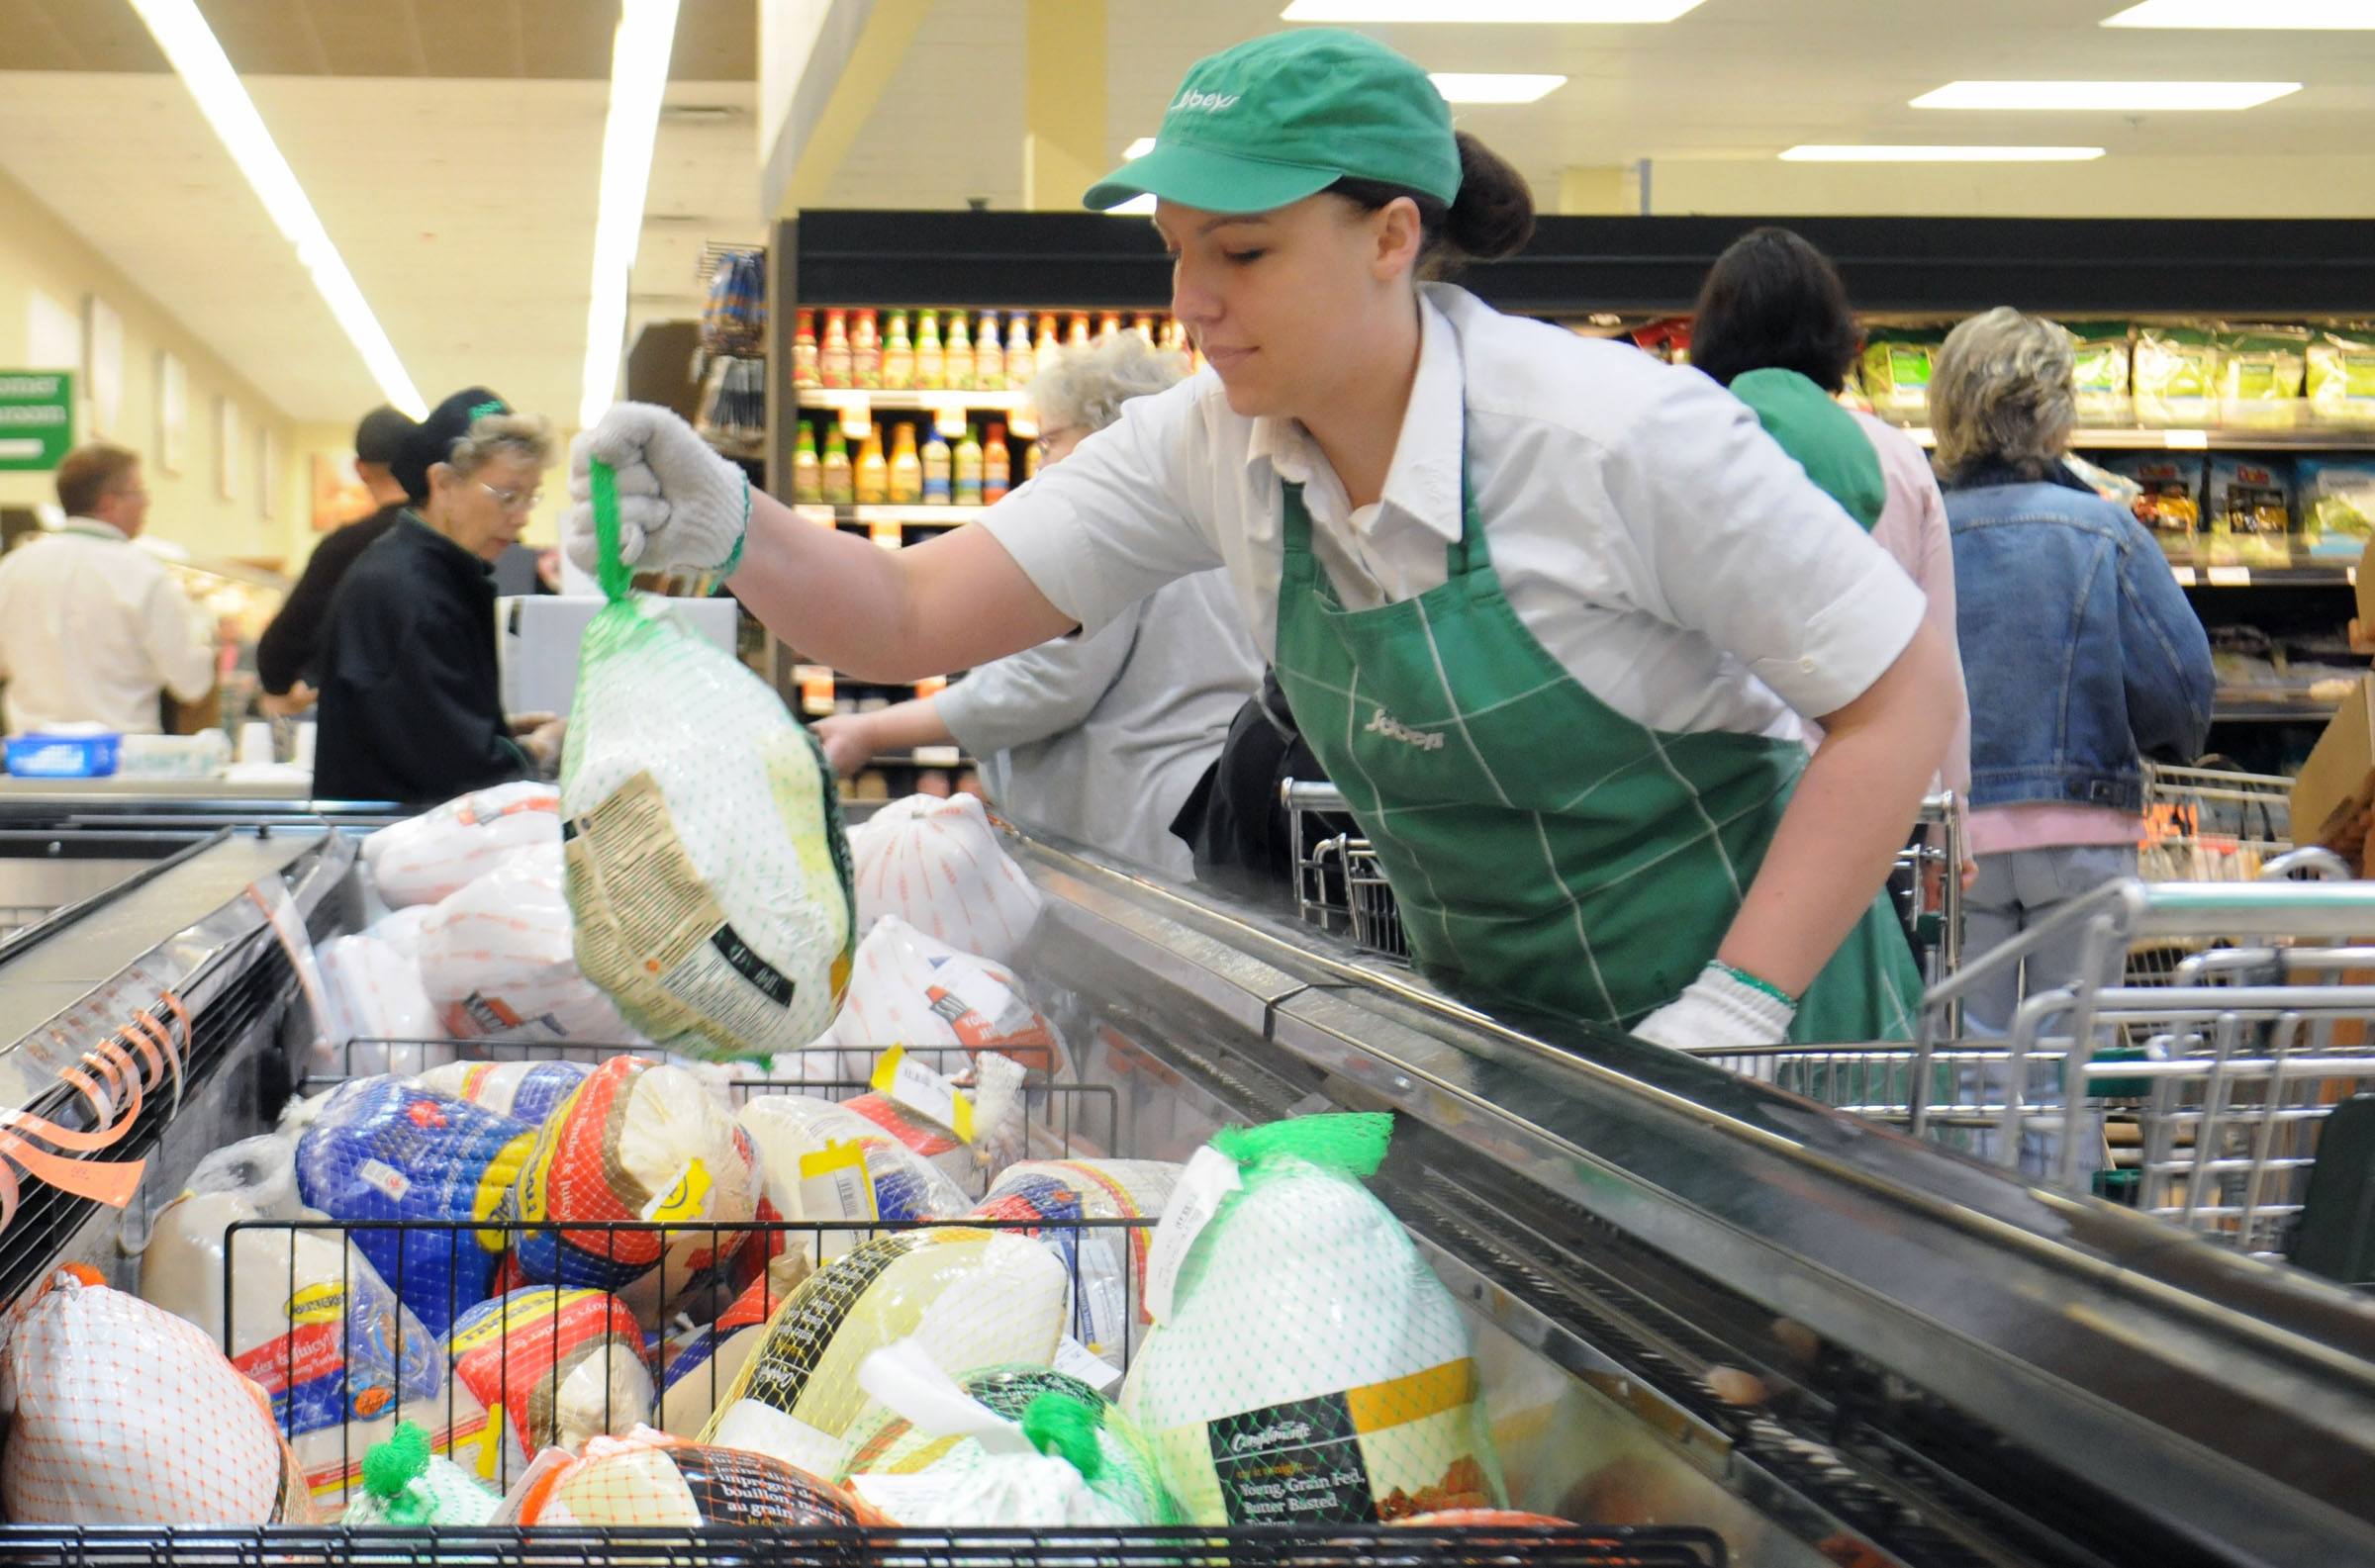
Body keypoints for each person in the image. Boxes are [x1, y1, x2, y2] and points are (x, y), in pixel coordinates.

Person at [564, 30, 1959, 1050]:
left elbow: (1902, 698)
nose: (1194, 302)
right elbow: (915, 611)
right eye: (1177, 252)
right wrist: (736, 526)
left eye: (1242, 254)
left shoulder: (1614, 439)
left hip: (1779, 1046)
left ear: (1391, 238)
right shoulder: (1212, 444)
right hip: (1531, 1048)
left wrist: (1742, 999)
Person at [812, 335, 1260, 876]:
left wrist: (870, 731)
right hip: (1194, 810)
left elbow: (1041, 686)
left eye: (1049, 441)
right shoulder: (1203, 508)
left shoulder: (1108, 525)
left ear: (1105, 428)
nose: (1042, 461)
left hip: (1127, 833)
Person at [1930, 309, 2214, 1036]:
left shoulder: (1918, 525)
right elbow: (2183, 690)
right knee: (2069, 1066)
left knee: (1965, 1073)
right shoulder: (2108, 530)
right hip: (2084, 833)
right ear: (2058, 413)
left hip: (1953, 835)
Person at [1688, 226, 1972, 818]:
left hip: (1730, 793)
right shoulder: (1894, 458)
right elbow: (1936, 650)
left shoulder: (1692, 444)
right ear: (1837, 337)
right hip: (1882, 794)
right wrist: (1951, 810)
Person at [313, 389, 564, 802]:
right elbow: (463, 775)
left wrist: (495, 730)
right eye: (507, 496)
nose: (521, 518)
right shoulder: (412, 595)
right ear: (443, 483)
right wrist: (539, 748)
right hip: (393, 848)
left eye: (530, 497)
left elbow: (420, 729)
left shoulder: (430, 575)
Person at [0, 443, 215, 737]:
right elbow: (192, 682)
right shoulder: (144, 574)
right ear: (108, 503)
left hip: (31, 760)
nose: (146, 503)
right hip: (123, 763)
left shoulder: (12, 569)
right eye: (138, 491)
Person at [254, 406, 419, 714]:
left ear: (360, 469)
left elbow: (286, 639)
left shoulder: (343, 547)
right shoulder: (445, 539)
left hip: (359, 712)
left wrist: (279, 685)